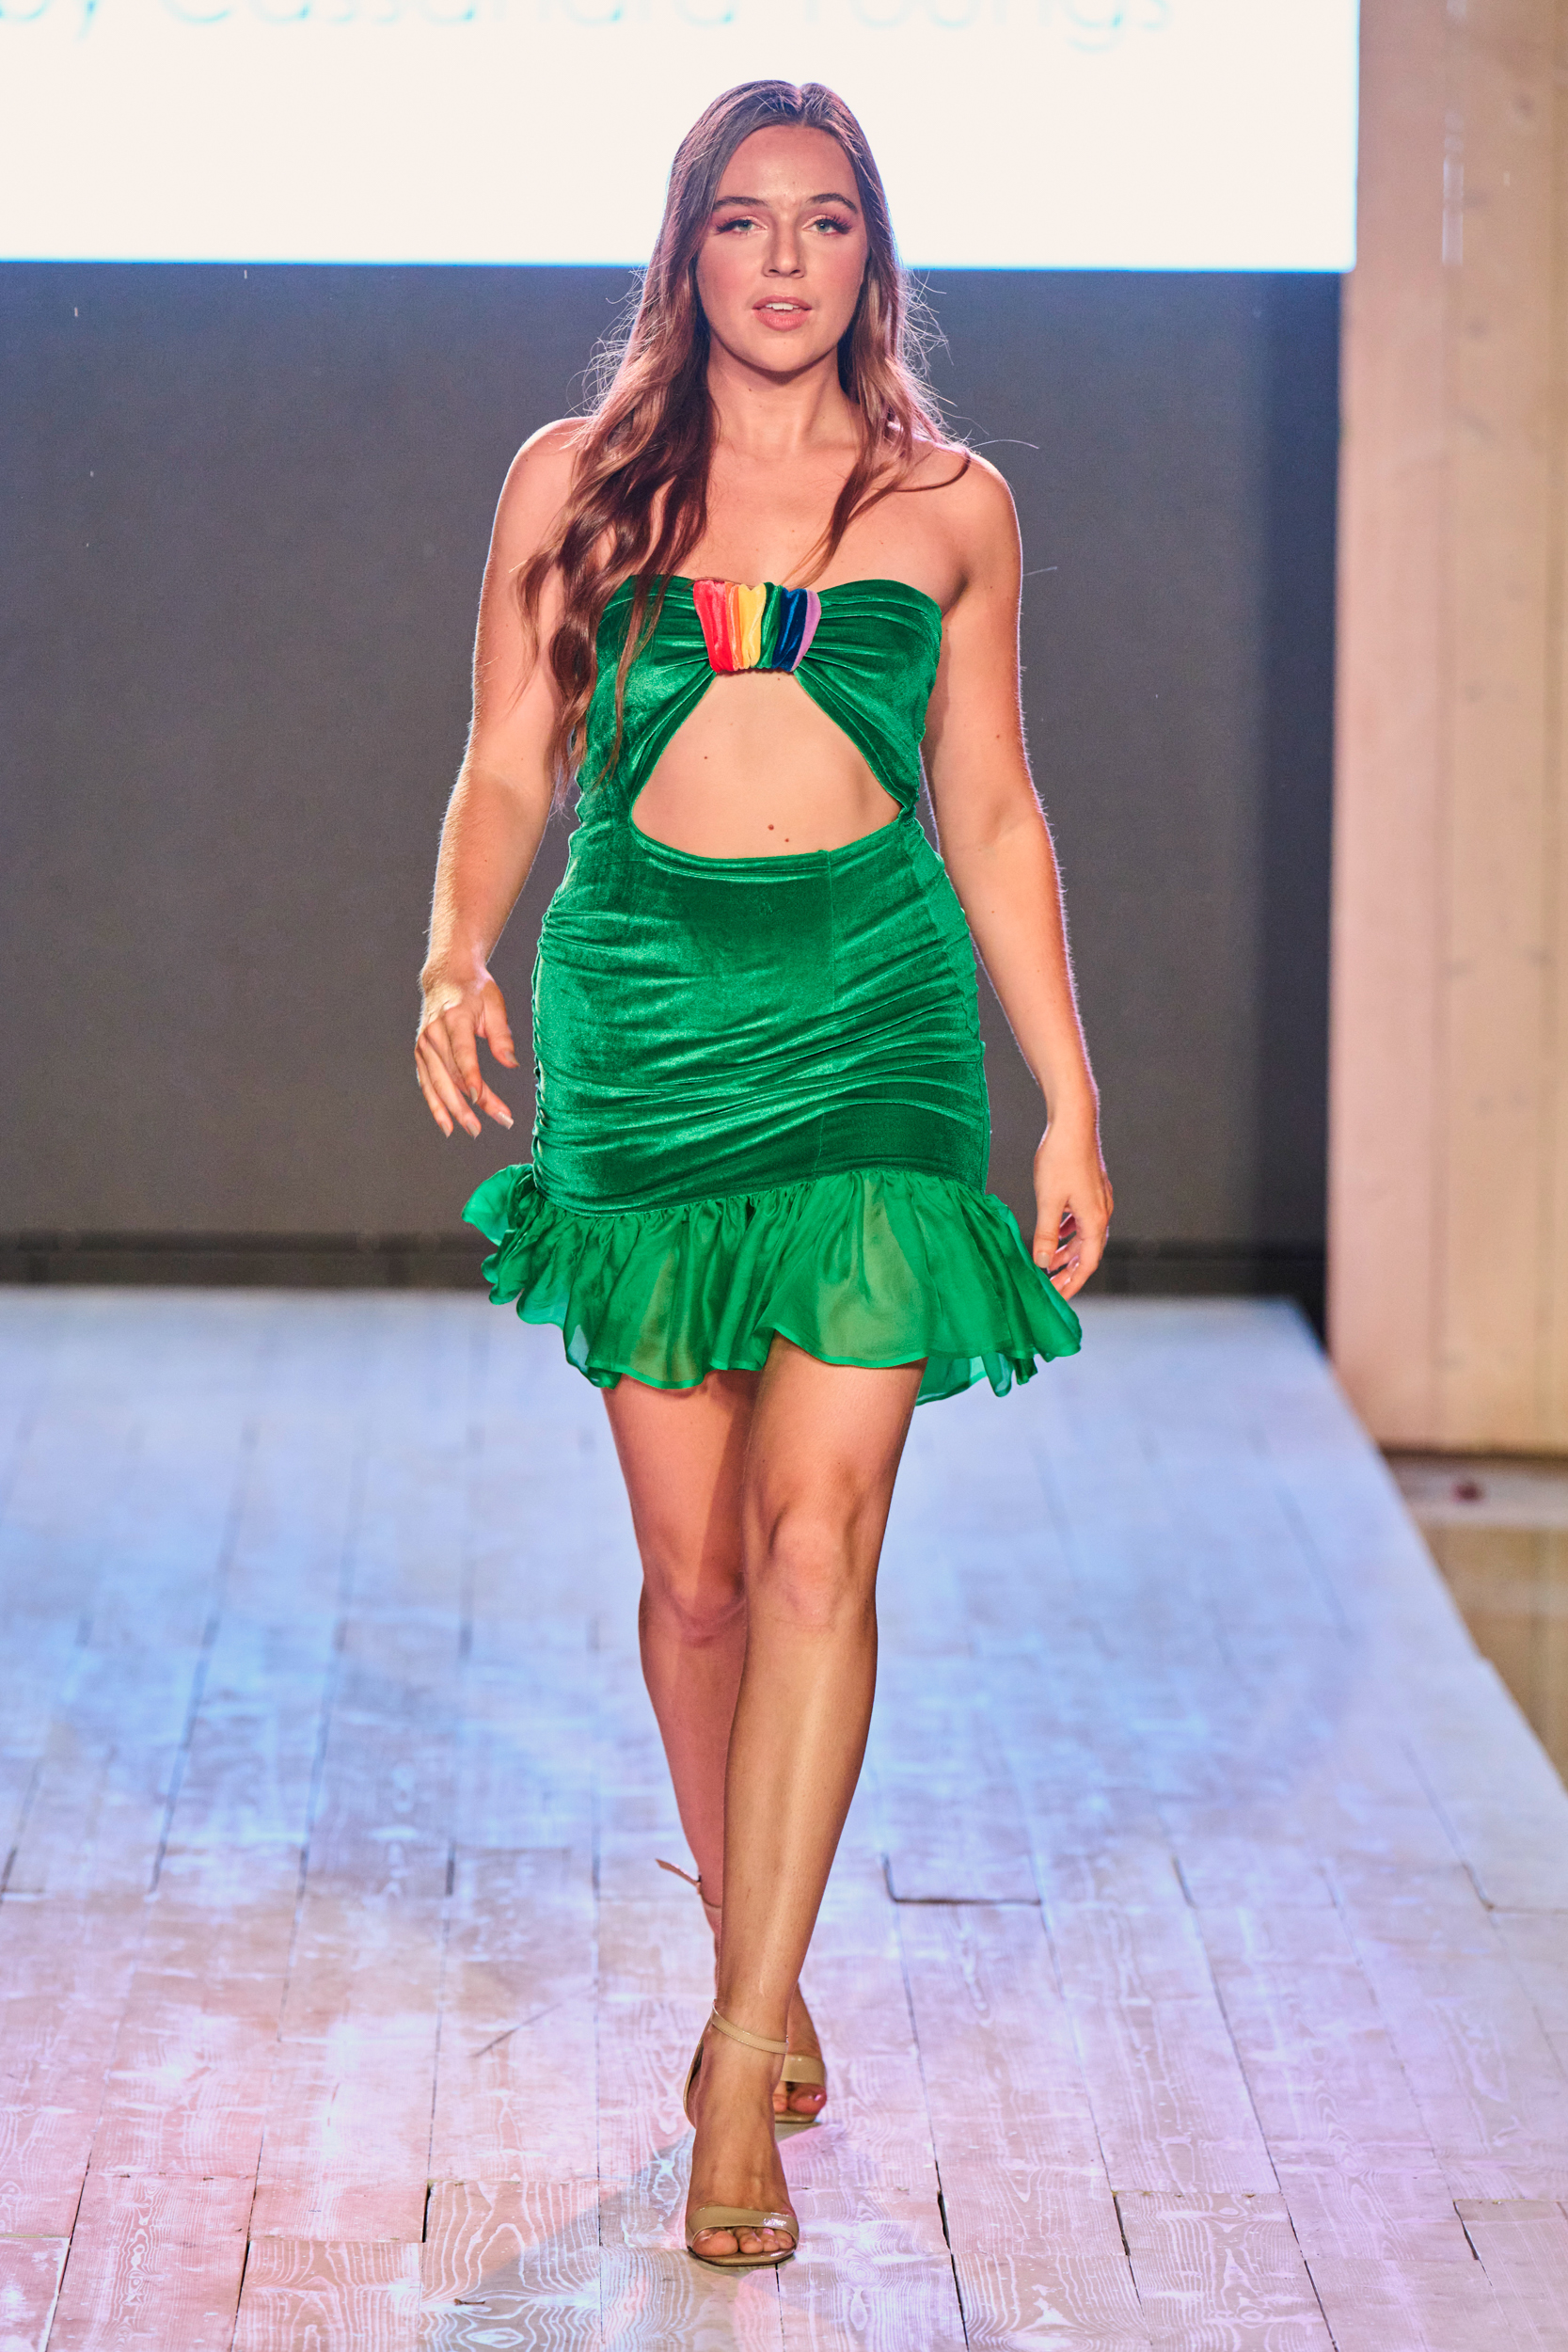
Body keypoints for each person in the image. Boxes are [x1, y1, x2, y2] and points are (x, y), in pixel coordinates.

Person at [416, 78, 1111, 2271]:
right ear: (688, 250)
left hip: (876, 1023)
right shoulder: (574, 478)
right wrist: (452, 941)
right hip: (645, 1013)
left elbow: (991, 804)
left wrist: (1068, 1090)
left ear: (871, 252)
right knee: (700, 1570)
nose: (784, 258)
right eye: (743, 219)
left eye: (824, 219)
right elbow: (508, 760)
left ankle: (735, 2054)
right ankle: (759, 1936)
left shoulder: (954, 504)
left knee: (824, 1534)